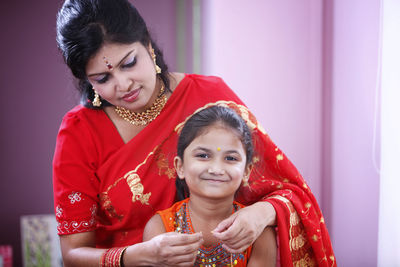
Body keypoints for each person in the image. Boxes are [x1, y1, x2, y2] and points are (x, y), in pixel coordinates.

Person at [53, 0, 336, 266]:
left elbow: (289, 190)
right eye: (102, 79)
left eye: (129, 63)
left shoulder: (211, 98)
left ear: (148, 46)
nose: (124, 84)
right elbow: (73, 254)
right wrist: (137, 255)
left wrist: (261, 213)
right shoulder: (80, 132)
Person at [143, 106, 277, 266]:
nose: (216, 169)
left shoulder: (256, 231)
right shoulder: (160, 227)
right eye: (203, 156)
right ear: (180, 167)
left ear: (247, 171)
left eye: (230, 158)